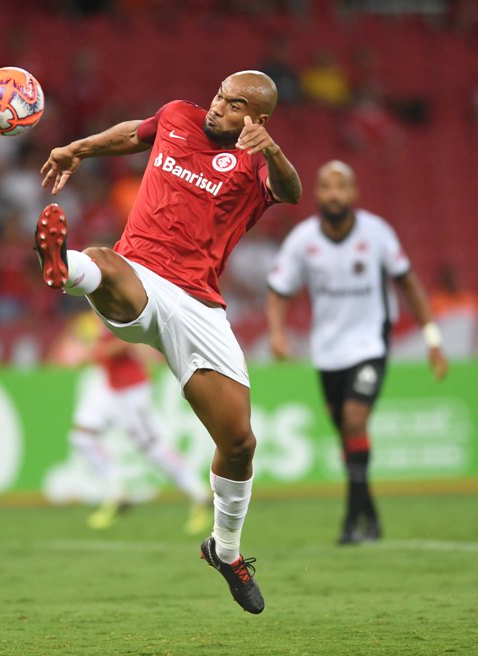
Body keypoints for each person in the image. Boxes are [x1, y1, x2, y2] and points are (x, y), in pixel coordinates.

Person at [36, 71, 302, 614]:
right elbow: (135, 133)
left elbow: (293, 191)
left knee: (239, 443)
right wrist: (76, 150)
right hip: (140, 277)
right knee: (107, 262)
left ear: (257, 118)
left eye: (233, 105)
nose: (217, 108)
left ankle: (224, 551)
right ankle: (66, 269)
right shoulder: (179, 115)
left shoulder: (256, 165)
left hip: (200, 305)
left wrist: (270, 150)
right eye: (219, 96)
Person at [265, 161, 448, 545]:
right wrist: (277, 334)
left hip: (370, 343)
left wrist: (432, 338)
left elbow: (408, 283)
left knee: (353, 419)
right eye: (327, 187)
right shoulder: (302, 240)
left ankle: (351, 520)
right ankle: (371, 516)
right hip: (328, 351)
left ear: (353, 193)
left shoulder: (377, 233)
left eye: (341, 187)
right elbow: (279, 291)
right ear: (316, 193)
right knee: (347, 435)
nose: (334, 194)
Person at [62, 317, 211, 533]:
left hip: (132, 391)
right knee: (82, 437)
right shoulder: (100, 307)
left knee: (153, 447)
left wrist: (96, 351)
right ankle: (117, 494)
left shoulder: (116, 305)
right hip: (111, 387)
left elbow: (131, 340)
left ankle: (200, 495)